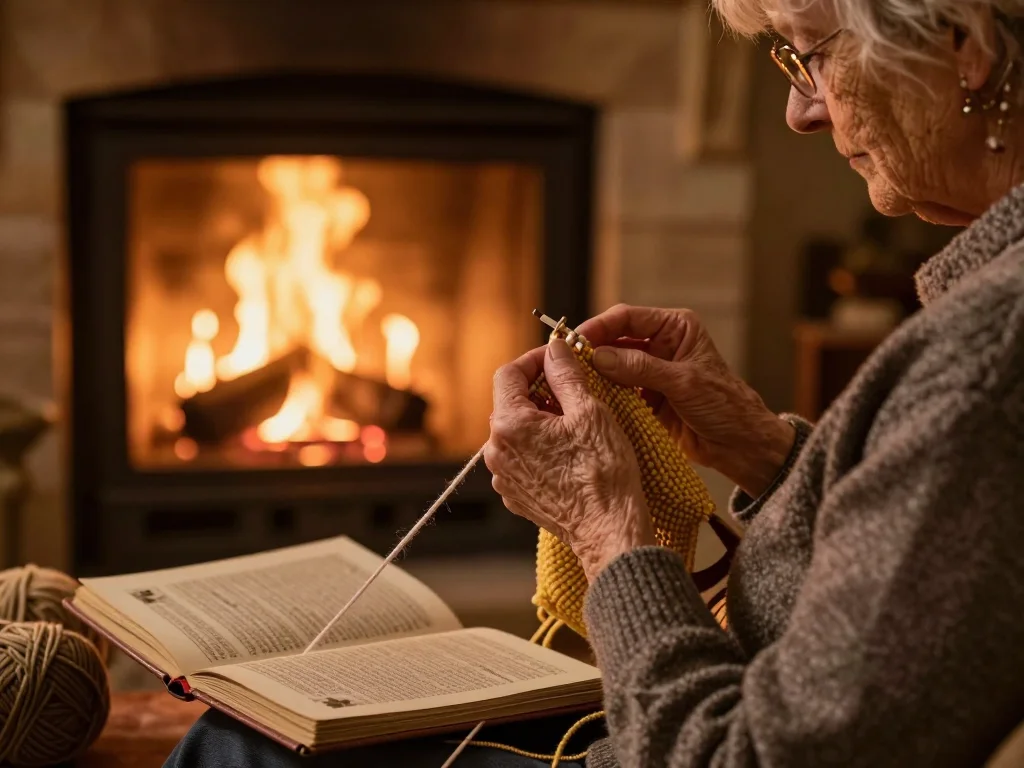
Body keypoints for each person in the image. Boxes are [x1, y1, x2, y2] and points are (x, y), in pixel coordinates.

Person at [166, 0, 1024, 765]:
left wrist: (606, 528)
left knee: (239, 746)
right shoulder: (989, 327)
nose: (800, 109)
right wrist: (760, 447)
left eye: (812, 52)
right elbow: (923, 565)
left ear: (961, 43)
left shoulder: (991, 359)